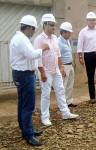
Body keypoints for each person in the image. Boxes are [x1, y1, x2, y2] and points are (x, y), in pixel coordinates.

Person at [9, 15, 49, 146]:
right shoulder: (21, 39)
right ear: (28, 28)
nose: (33, 32)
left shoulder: (18, 38)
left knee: (22, 104)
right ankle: (28, 134)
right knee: (28, 106)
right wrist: (42, 48)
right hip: (24, 75)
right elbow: (32, 54)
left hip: (21, 74)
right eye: (33, 29)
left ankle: (26, 130)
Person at [34, 14, 79, 126]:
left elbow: (58, 54)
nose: (54, 27)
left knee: (60, 90)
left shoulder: (54, 38)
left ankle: (65, 112)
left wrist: (61, 67)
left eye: (54, 25)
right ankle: (45, 117)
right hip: (46, 71)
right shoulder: (39, 39)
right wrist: (42, 73)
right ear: (45, 25)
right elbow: (37, 58)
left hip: (56, 70)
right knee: (46, 94)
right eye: (52, 25)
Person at [58, 22, 77, 107]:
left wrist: (71, 61)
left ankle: (68, 101)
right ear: (63, 32)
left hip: (69, 65)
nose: (70, 34)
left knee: (70, 84)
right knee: (63, 85)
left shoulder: (67, 41)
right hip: (64, 66)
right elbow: (58, 55)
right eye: (68, 33)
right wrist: (61, 67)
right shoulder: (59, 42)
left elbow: (68, 53)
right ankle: (61, 103)